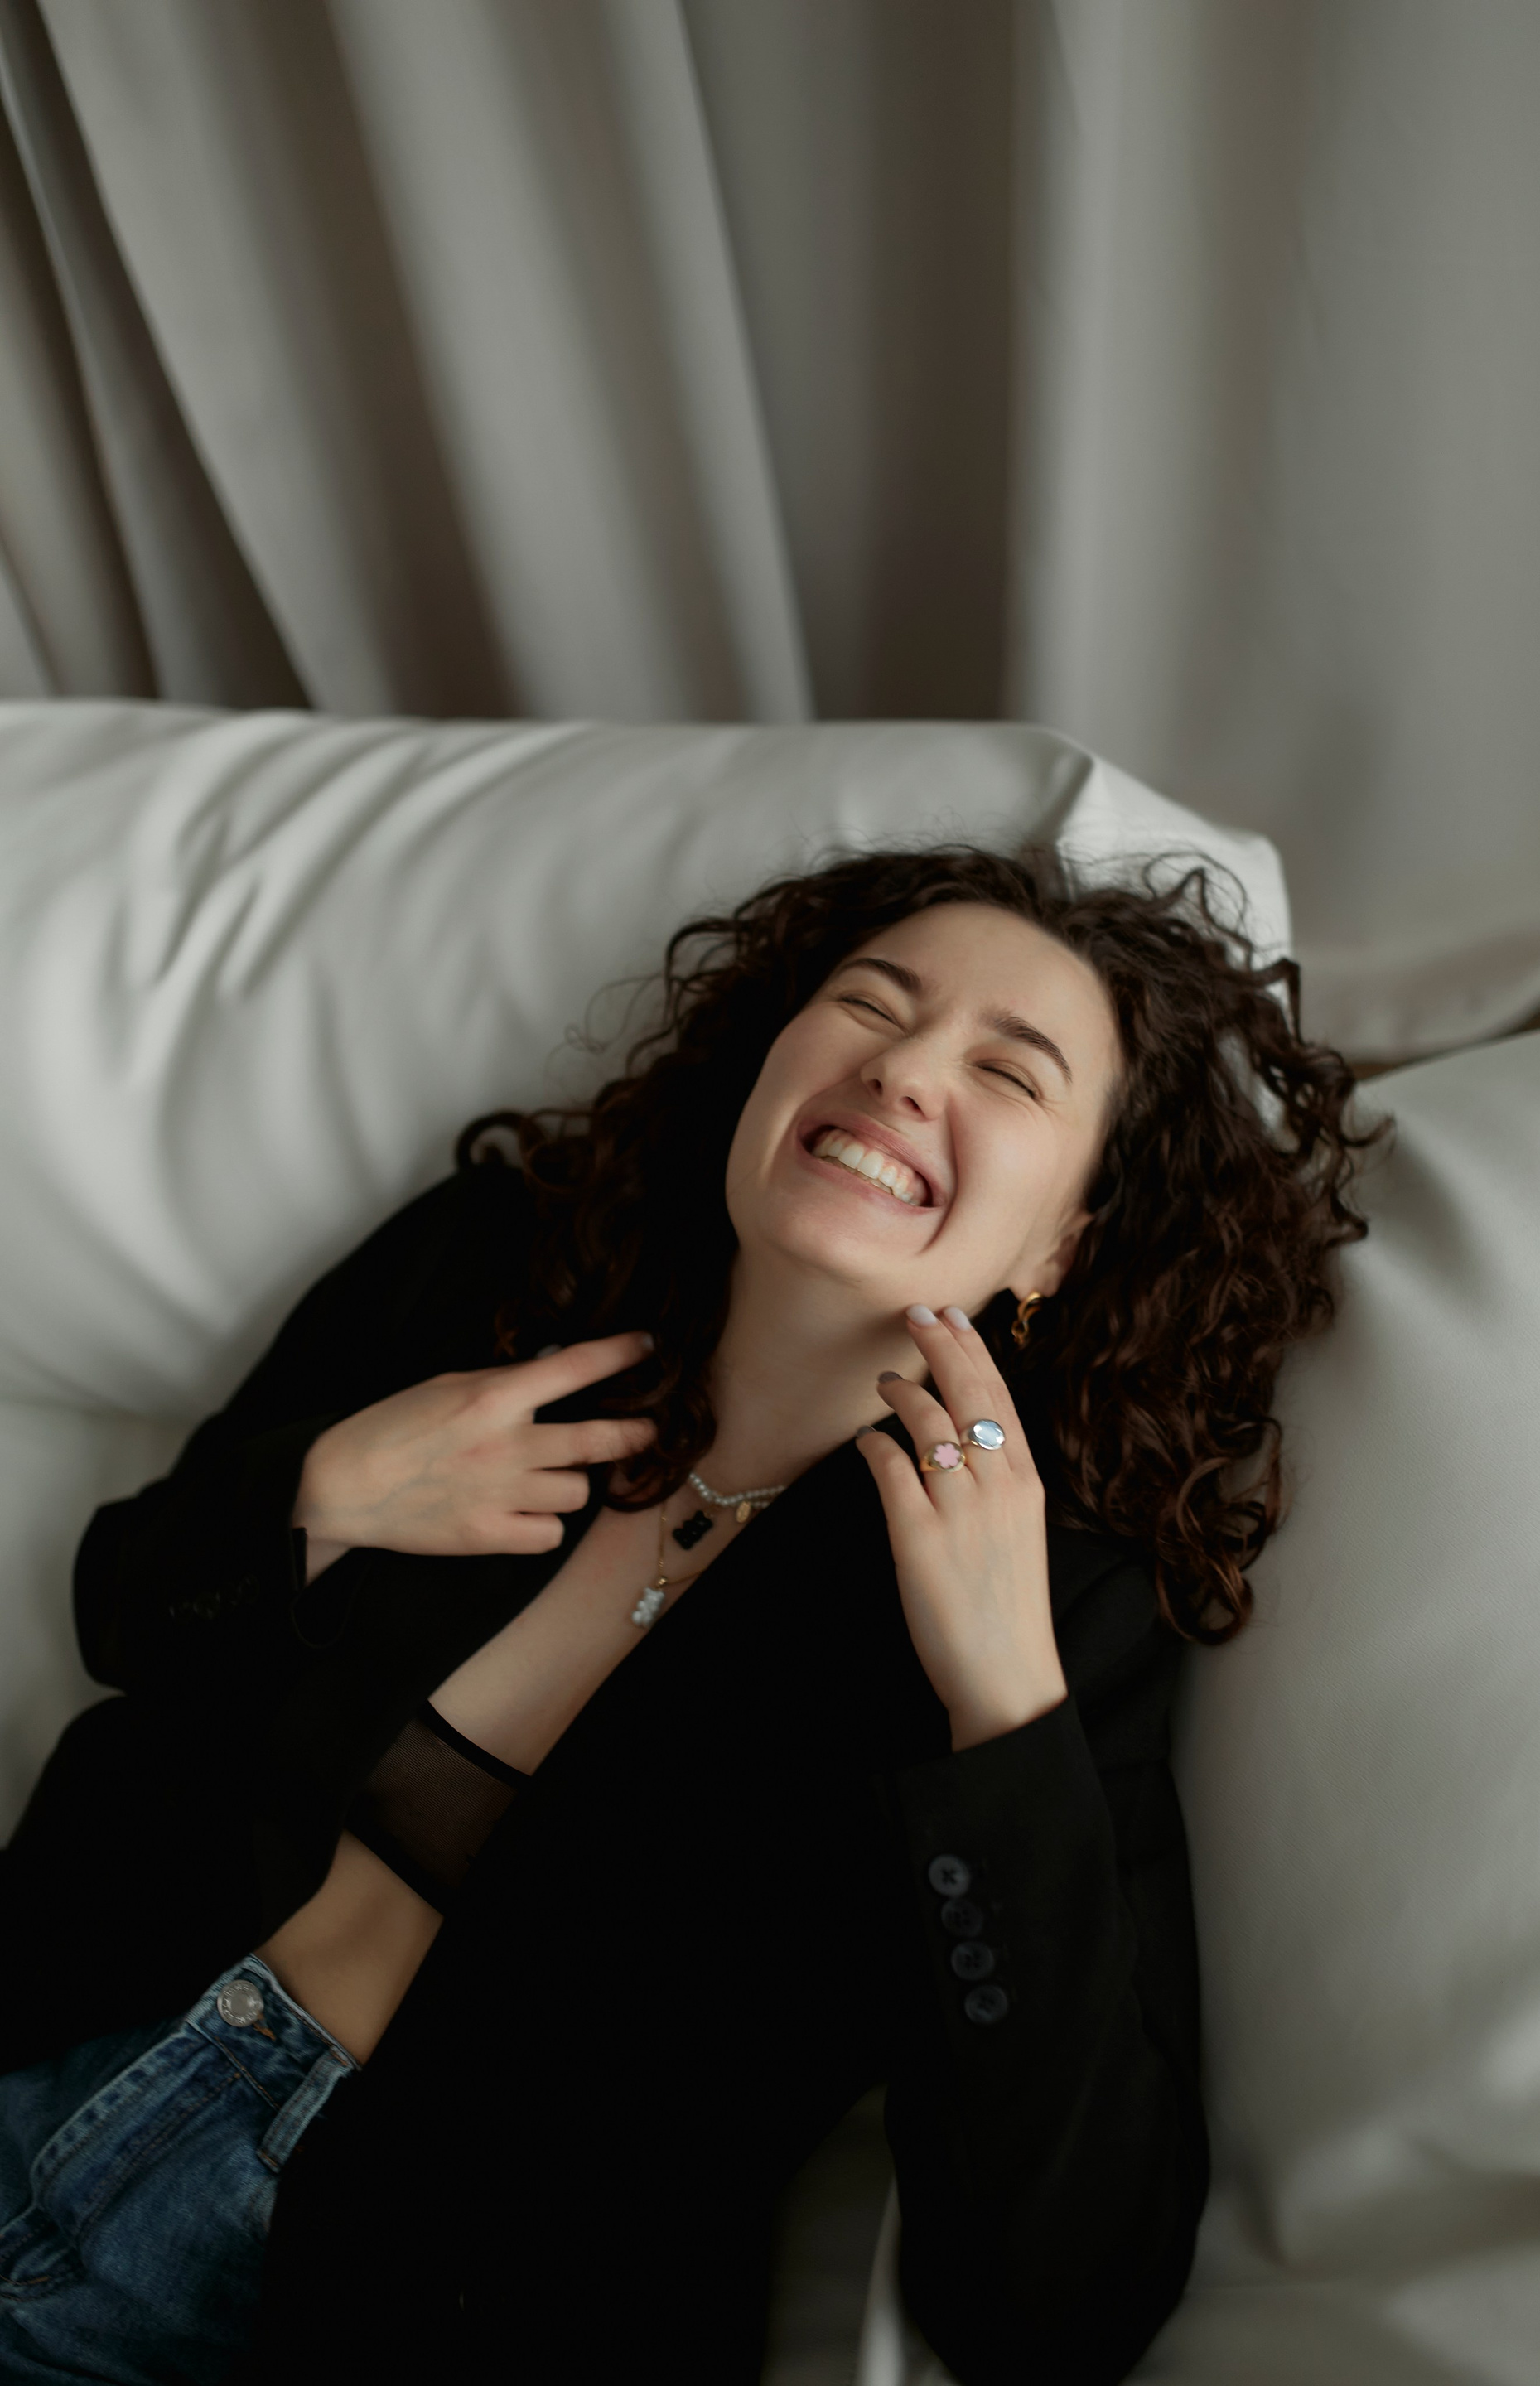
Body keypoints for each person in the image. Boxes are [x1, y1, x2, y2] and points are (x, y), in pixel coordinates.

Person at [0, 843, 1384, 2386]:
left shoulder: (1055, 1605)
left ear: (1065, 1240)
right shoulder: (500, 1263)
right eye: (871, 1002)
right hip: (50, 2032)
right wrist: (320, 1497)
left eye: (1009, 1070)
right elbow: (123, 1608)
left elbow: (1062, 2300)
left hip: (354, 2312)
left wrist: (1002, 1700)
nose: (905, 1068)